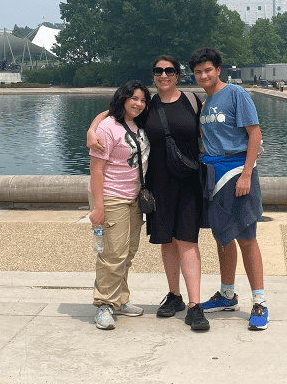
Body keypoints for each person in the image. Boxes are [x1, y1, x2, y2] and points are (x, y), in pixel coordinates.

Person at [87, 57, 210, 332]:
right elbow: (114, 114)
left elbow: (211, 131)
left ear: (178, 75)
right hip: (157, 187)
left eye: (169, 70)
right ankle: (169, 296)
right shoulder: (149, 105)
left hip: (188, 184)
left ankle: (195, 304)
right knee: (159, 242)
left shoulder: (192, 101)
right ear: (154, 75)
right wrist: (92, 128)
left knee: (185, 242)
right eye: (158, 70)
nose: (164, 75)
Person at [189, 47, 269, 331]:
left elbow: (255, 134)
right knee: (223, 237)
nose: (203, 76)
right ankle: (227, 294)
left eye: (208, 70)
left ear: (218, 70)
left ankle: (259, 301)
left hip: (237, 172)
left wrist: (247, 174)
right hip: (213, 174)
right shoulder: (205, 103)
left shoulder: (237, 94)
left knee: (247, 237)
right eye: (198, 72)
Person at [88, 80, 150, 331]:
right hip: (112, 196)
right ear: (123, 98)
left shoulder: (140, 124)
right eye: (134, 98)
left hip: (135, 197)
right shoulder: (107, 128)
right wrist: (98, 207)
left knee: (128, 252)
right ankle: (104, 304)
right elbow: (96, 170)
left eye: (143, 100)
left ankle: (120, 299)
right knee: (112, 254)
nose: (139, 104)